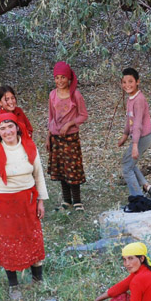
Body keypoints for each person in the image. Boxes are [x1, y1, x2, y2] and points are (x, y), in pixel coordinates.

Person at [0, 113, 48, 300]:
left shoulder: (29, 147)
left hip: (28, 202)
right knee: (8, 244)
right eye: (2, 128)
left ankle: (38, 280)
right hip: (4, 206)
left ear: (17, 127)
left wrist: (41, 201)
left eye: (10, 126)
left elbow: (38, 175)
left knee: (32, 238)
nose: (7, 131)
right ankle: (14, 286)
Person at [46, 61, 88, 212]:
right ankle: (66, 200)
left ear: (69, 78)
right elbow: (51, 117)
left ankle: (77, 201)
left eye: (63, 77)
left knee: (73, 168)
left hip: (70, 138)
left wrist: (69, 124)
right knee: (61, 169)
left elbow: (83, 115)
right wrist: (48, 136)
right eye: (57, 78)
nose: (60, 81)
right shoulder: (52, 95)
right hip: (56, 139)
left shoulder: (75, 95)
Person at [117, 68, 151, 198]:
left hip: (143, 137)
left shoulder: (139, 100)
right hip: (137, 136)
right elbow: (130, 119)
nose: (127, 85)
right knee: (127, 162)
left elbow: (138, 124)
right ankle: (147, 186)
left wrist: (135, 145)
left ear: (138, 82)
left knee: (127, 168)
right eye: (124, 82)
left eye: (130, 81)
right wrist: (124, 135)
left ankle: (138, 198)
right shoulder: (131, 98)